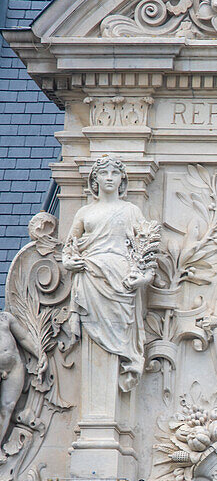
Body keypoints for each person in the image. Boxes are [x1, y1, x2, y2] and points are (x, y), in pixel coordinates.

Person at [62, 155, 156, 391]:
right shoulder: (84, 212)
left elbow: (148, 249)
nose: (110, 178)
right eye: (105, 173)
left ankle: (124, 370)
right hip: (91, 276)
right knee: (94, 334)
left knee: (122, 331)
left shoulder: (131, 211)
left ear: (122, 180)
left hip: (122, 281)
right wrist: (68, 262)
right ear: (95, 180)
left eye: (115, 173)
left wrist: (144, 277)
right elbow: (69, 248)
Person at [0, 310, 45, 455]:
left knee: (7, 407)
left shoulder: (5, 317)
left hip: (14, 366)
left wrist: (39, 355)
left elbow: (24, 337)